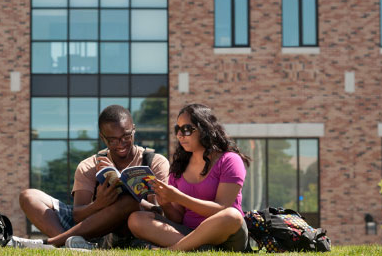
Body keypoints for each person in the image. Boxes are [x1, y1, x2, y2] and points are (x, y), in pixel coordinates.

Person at [18, 105, 170, 248]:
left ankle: (54, 243)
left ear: (134, 130)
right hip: (94, 233)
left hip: (133, 230)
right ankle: (70, 245)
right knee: (29, 196)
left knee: (129, 201)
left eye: (126, 136)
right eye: (112, 140)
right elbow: (77, 216)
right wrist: (99, 204)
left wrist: (135, 199)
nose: (121, 144)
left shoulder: (154, 162)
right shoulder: (90, 165)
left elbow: (162, 212)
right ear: (102, 137)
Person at [127, 103, 251, 251]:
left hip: (226, 234)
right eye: (177, 129)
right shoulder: (179, 166)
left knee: (232, 215)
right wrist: (166, 202)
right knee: (136, 219)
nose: (179, 135)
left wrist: (178, 197)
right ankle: (197, 248)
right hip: (187, 231)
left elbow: (221, 208)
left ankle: (172, 250)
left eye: (186, 129)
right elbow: (177, 218)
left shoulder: (229, 160)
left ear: (204, 129)